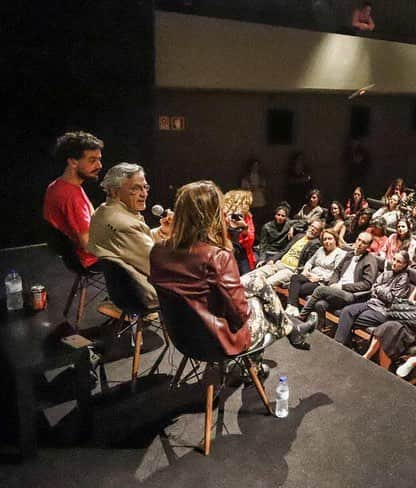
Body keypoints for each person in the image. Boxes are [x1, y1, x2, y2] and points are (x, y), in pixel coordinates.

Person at [149, 180, 316, 355]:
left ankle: (289, 334)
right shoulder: (217, 256)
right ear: (213, 215)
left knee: (257, 280)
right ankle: (285, 336)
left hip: (182, 336)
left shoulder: (158, 250)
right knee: (261, 305)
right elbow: (240, 314)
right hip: (218, 341)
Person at [88, 163, 172, 309]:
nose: (144, 194)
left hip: (121, 291)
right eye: (135, 188)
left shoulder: (101, 212)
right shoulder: (125, 225)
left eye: (145, 187)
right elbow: (161, 266)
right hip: (145, 294)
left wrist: (162, 232)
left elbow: (134, 244)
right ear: (114, 191)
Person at [43, 131, 104, 269]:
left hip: (73, 258)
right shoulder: (71, 197)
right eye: (92, 160)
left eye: (99, 159)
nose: (99, 165)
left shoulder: (56, 186)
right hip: (90, 260)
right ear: (73, 162)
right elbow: (89, 246)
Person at [298, 231, 378, 326]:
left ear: (368, 246)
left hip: (351, 294)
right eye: (359, 240)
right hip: (337, 291)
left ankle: (302, 316)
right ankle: (319, 330)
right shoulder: (350, 254)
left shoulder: (370, 260)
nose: (359, 244)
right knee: (320, 304)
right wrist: (332, 284)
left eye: (364, 243)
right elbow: (337, 271)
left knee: (320, 290)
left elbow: (366, 284)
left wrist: (342, 287)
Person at [333, 251, 412, 347]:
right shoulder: (387, 273)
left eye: (398, 262)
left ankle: (337, 345)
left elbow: (391, 299)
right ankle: (344, 344)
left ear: (404, 265)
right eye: (394, 259)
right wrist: (379, 290)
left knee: (350, 319)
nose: (394, 263)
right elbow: (373, 288)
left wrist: (379, 289)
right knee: (346, 311)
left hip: (383, 311)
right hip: (371, 303)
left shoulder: (404, 279)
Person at [247, 218, 324, 290]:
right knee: (254, 275)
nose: (313, 229)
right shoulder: (299, 236)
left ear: (319, 232)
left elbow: (309, 262)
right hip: (279, 264)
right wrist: (273, 260)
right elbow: (284, 250)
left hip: (290, 269)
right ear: (309, 226)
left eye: (316, 229)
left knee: (266, 283)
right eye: (312, 226)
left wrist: (297, 271)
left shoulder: (315, 244)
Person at [286, 229, 347, 305]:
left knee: (297, 288)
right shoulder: (321, 249)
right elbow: (310, 262)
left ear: (335, 239)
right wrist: (306, 270)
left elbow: (336, 273)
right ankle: (293, 307)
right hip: (310, 276)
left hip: (321, 282)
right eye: (325, 239)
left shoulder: (340, 253)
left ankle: (292, 306)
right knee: (295, 277)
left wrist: (319, 278)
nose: (327, 241)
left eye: (330, 239)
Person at [223, 189, 256, 274]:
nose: (248, 206)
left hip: (242, 253)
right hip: (224, 251)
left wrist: (244, 228)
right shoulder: (221, 215)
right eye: (246, 203)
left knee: (246, 277)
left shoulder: (247, 216)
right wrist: (227, 223)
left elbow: (250, 242)